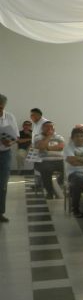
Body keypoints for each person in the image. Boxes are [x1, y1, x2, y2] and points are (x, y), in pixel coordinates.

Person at [63, 127, 83, 216]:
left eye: (81, 136)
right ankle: (75, 208)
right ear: (72, 138)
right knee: (78, 180)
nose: (79, 138)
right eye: (77, 136)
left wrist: (79, 159)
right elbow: (73, 162)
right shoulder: (68, 148)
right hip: (74, 173)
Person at [33, 121, 66, 199]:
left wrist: (47, 148)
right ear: (42, 128)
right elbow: (41, 147)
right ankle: (49, 192)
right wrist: (49, 137)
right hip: (43, 160)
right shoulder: (38, 137)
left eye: (51, 127)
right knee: (46, 170)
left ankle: (58, 182)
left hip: (59, 160)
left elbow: (60, 147)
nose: (49, 128)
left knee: (67, 168)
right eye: (47, 127)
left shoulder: (59, 137)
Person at [0, 94, 18, 222]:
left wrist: (9, 142)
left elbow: (15, 137)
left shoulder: (10, 117)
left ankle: (0, 212)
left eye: (1, 107)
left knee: (2, 183)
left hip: (4, 153)